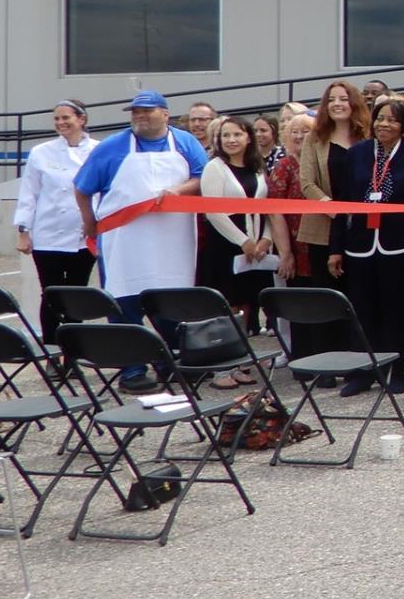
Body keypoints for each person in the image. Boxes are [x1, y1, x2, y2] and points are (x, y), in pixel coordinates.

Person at [74, 91, 209, 390]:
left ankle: (172, 359)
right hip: (124, 239)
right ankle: (132, 368)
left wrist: (180, 190)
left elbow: (204, 177)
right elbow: (82, 187)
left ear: (165, 113)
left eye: (146, 111)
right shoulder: (113, 147)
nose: (139, 117)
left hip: (172, 238)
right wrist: (89, 222)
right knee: (124, 302)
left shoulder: (185, 143)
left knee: (172, 300)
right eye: (135, 112)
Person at [327, 96, 404, 397]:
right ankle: (361, 373)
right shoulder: (358, 154)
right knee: (361, 311)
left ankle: (395, 371)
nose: (384, 124)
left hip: (400, 247)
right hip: (360, 246)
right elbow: (344, 203)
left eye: (392, 119)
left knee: (396, 313)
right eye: (380, 118)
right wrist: (336, 247)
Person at [198, 116, 288, 384]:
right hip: (226, 245)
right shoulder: (215, 167)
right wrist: (243, 241)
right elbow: (214, 213)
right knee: (225, 306)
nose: (231, 140)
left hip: (256, 245)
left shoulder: (257, 168)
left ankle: (238, 362)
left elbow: (268, 208)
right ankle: (221, 369)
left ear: (247, 137)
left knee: (246, 305)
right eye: (225, 136)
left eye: (236, 134)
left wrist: (266, 240)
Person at [15, 101, 97, 347]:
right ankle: (52, 350)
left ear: (81, 119)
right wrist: (22, 230)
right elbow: (29, 193)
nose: (61, 123)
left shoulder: (98, 150)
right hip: (47, 235)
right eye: (57, 119)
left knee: (76, 294)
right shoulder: (41, 152)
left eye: (66, 118)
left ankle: (72, 351)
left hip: (84, 236)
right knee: (51, 294)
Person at [298, 81, 367, 288]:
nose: (337, 104)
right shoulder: (315, 138)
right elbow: (307, 182)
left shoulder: (368, 137)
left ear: (354, 103)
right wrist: (333, 209)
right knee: (327, 291)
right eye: (331, 100)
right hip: (323, 225)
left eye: (344, 99)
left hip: (362, 225)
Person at [271, 113, 314, 288]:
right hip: (294, 245)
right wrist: (286, 253)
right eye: (294, 131)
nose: (299, 136)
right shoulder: (284, 166)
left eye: (305, 131)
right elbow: (275, 212)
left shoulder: (321, 162)